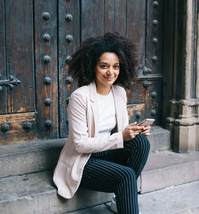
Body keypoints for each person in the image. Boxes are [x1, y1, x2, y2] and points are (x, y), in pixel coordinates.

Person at [53, 32, 150, 214]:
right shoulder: (80, 97)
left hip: (107, 151)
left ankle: (120, 197)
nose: (110, 72)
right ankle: (124, 192)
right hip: (85, 160)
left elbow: (120, 132)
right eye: (104, 66)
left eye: (116, 67)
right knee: (127, 175)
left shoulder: (119, 92)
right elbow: (81, 144)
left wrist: (135, 132)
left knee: (142, 143)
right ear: (93, 67)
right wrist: (121, 137)